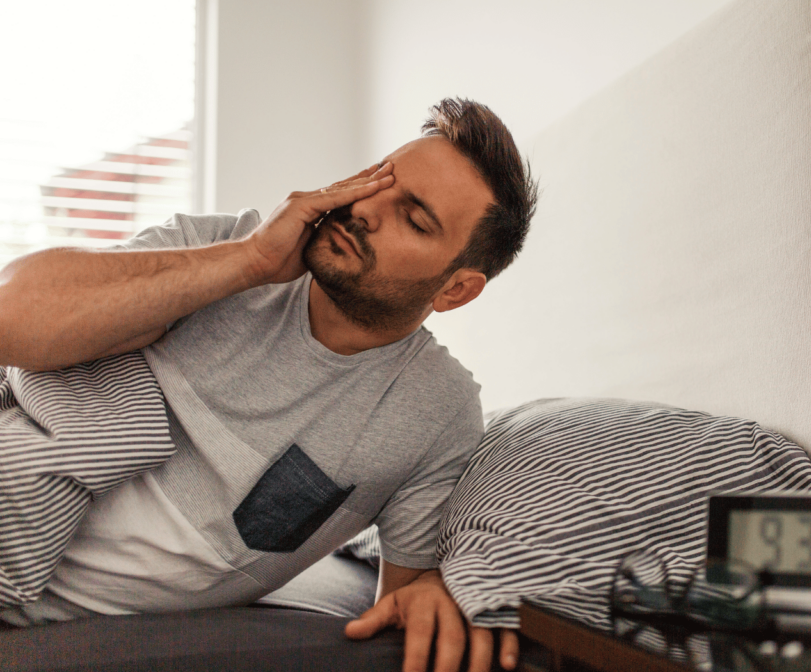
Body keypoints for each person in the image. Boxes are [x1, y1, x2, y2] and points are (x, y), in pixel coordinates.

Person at [0, 98, 537, 672]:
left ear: (455, 289)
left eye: (415, 218)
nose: (366, 208)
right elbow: (10, 317)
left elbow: (399, 603)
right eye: (378, 178)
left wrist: (430, 584)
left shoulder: (436, 410)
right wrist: (249, 260)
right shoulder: (222, 245)